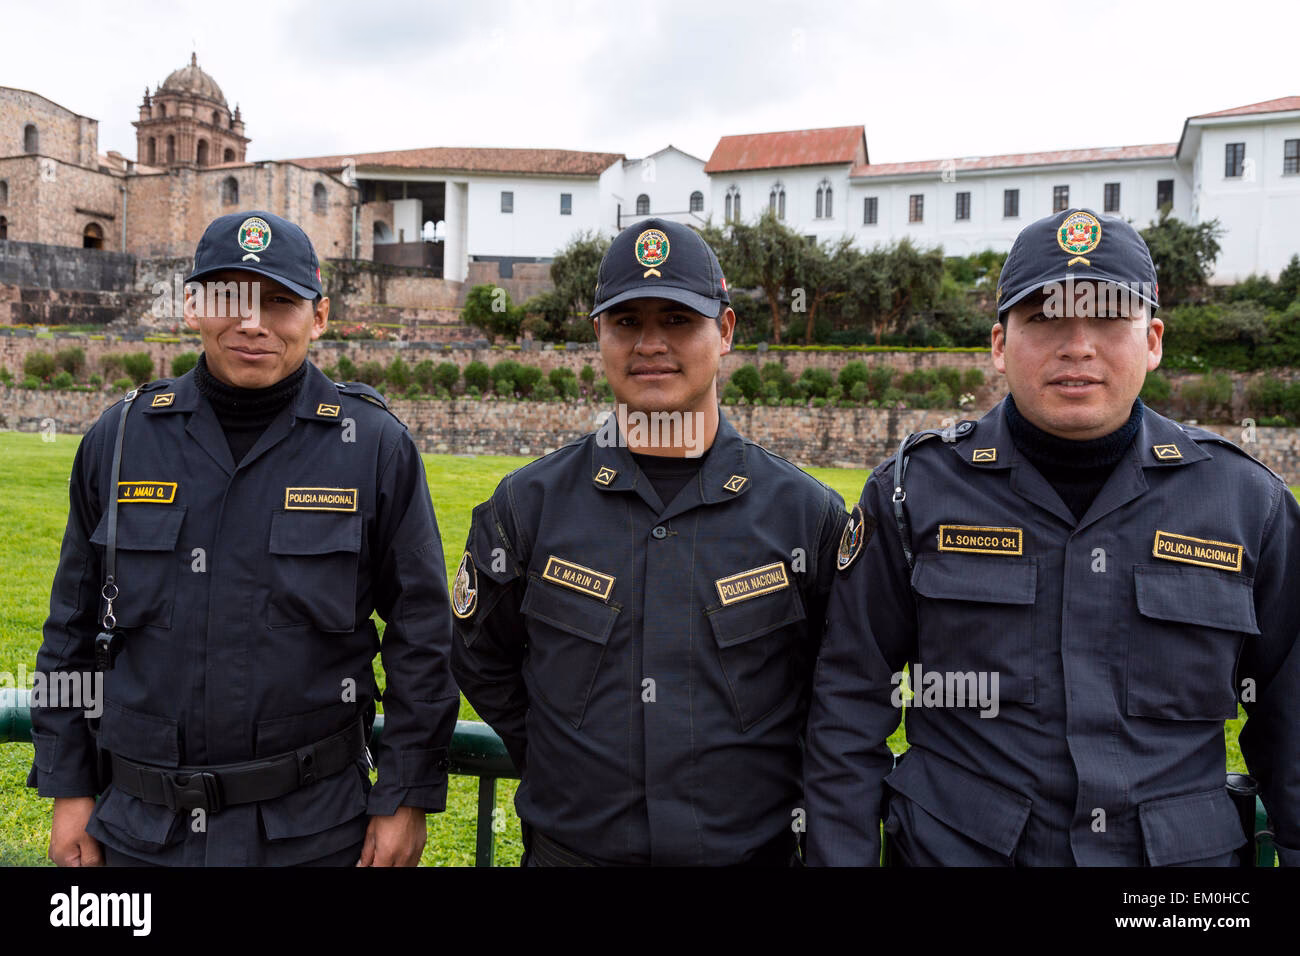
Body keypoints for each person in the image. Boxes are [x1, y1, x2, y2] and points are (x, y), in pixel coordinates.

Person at [804, 208, 1299, 866]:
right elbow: (849, 700)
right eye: (1045, 318)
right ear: (1000, 345)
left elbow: (1292, 725)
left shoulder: (1248, 505)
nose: (1078, 345)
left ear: (1152, 340)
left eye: (1107, 319)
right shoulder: (912, 494)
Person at [29, 210, 459, 866]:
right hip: (140, 831)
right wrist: (68, 789)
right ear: (194, 305)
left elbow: (423, 641)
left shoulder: (372, 447)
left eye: (280, 302)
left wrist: (405, 795)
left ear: (318, 317)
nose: (252, 322)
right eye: (229, 297)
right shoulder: (120, 441)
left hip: (312, 832)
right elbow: (70, 634)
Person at [451, 218, 849, 865]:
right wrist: (562, 757)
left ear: (724, 332)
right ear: (599, 336)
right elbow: (480, 658)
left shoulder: (805, 517)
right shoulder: (527, 507)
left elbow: (842, 694)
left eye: (677, 320)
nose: (652, 344)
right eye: (628, 322)